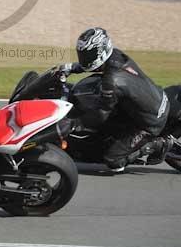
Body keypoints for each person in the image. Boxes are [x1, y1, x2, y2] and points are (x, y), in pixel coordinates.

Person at [48, 27, 173, 172]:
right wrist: (71, 68)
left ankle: (157, 144)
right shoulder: (116, 55)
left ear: (101, 51)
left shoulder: (112, 80)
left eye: (89, 55)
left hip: (149, 123)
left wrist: (74, 123)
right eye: (83, 55)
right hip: (153, 99)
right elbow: (93, 65)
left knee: (113, 160)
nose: (85, 58)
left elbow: (101, 114)